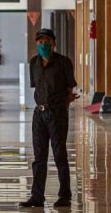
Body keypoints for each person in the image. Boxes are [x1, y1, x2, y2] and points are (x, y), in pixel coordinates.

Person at [20, 28, 79, 208]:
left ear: (54, 44)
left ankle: (65, 195)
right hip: (39, 114)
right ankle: (37, 196)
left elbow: (70, 89)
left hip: (57, 113)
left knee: (59, 154)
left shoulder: (63, 63)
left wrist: (62, 106)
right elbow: (36, 87)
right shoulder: (34, 63)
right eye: (40, 42)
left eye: (46, 42)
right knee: (39, 157)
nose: (43, 45)